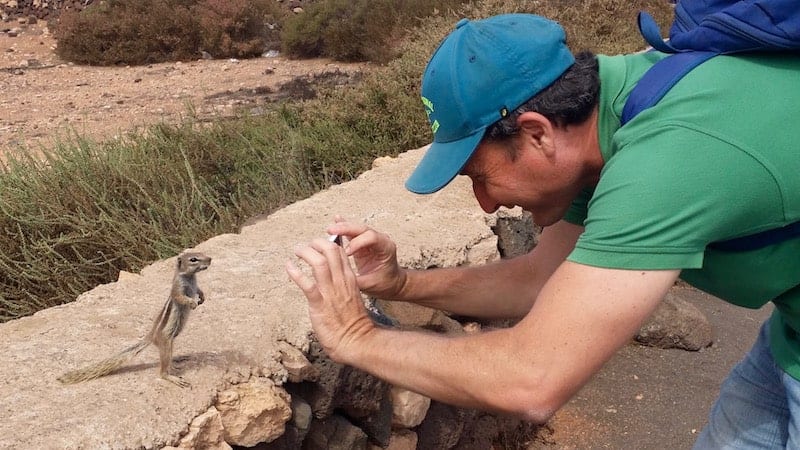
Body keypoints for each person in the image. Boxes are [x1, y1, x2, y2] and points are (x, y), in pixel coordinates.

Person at [285, 13, 800, 448]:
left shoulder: (671, 157)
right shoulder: (605, 118)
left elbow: (533, 378)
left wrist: (355, 336)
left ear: (536, 133)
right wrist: (401, 285)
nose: (486, 203)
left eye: (480, 177)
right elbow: (538, 278)